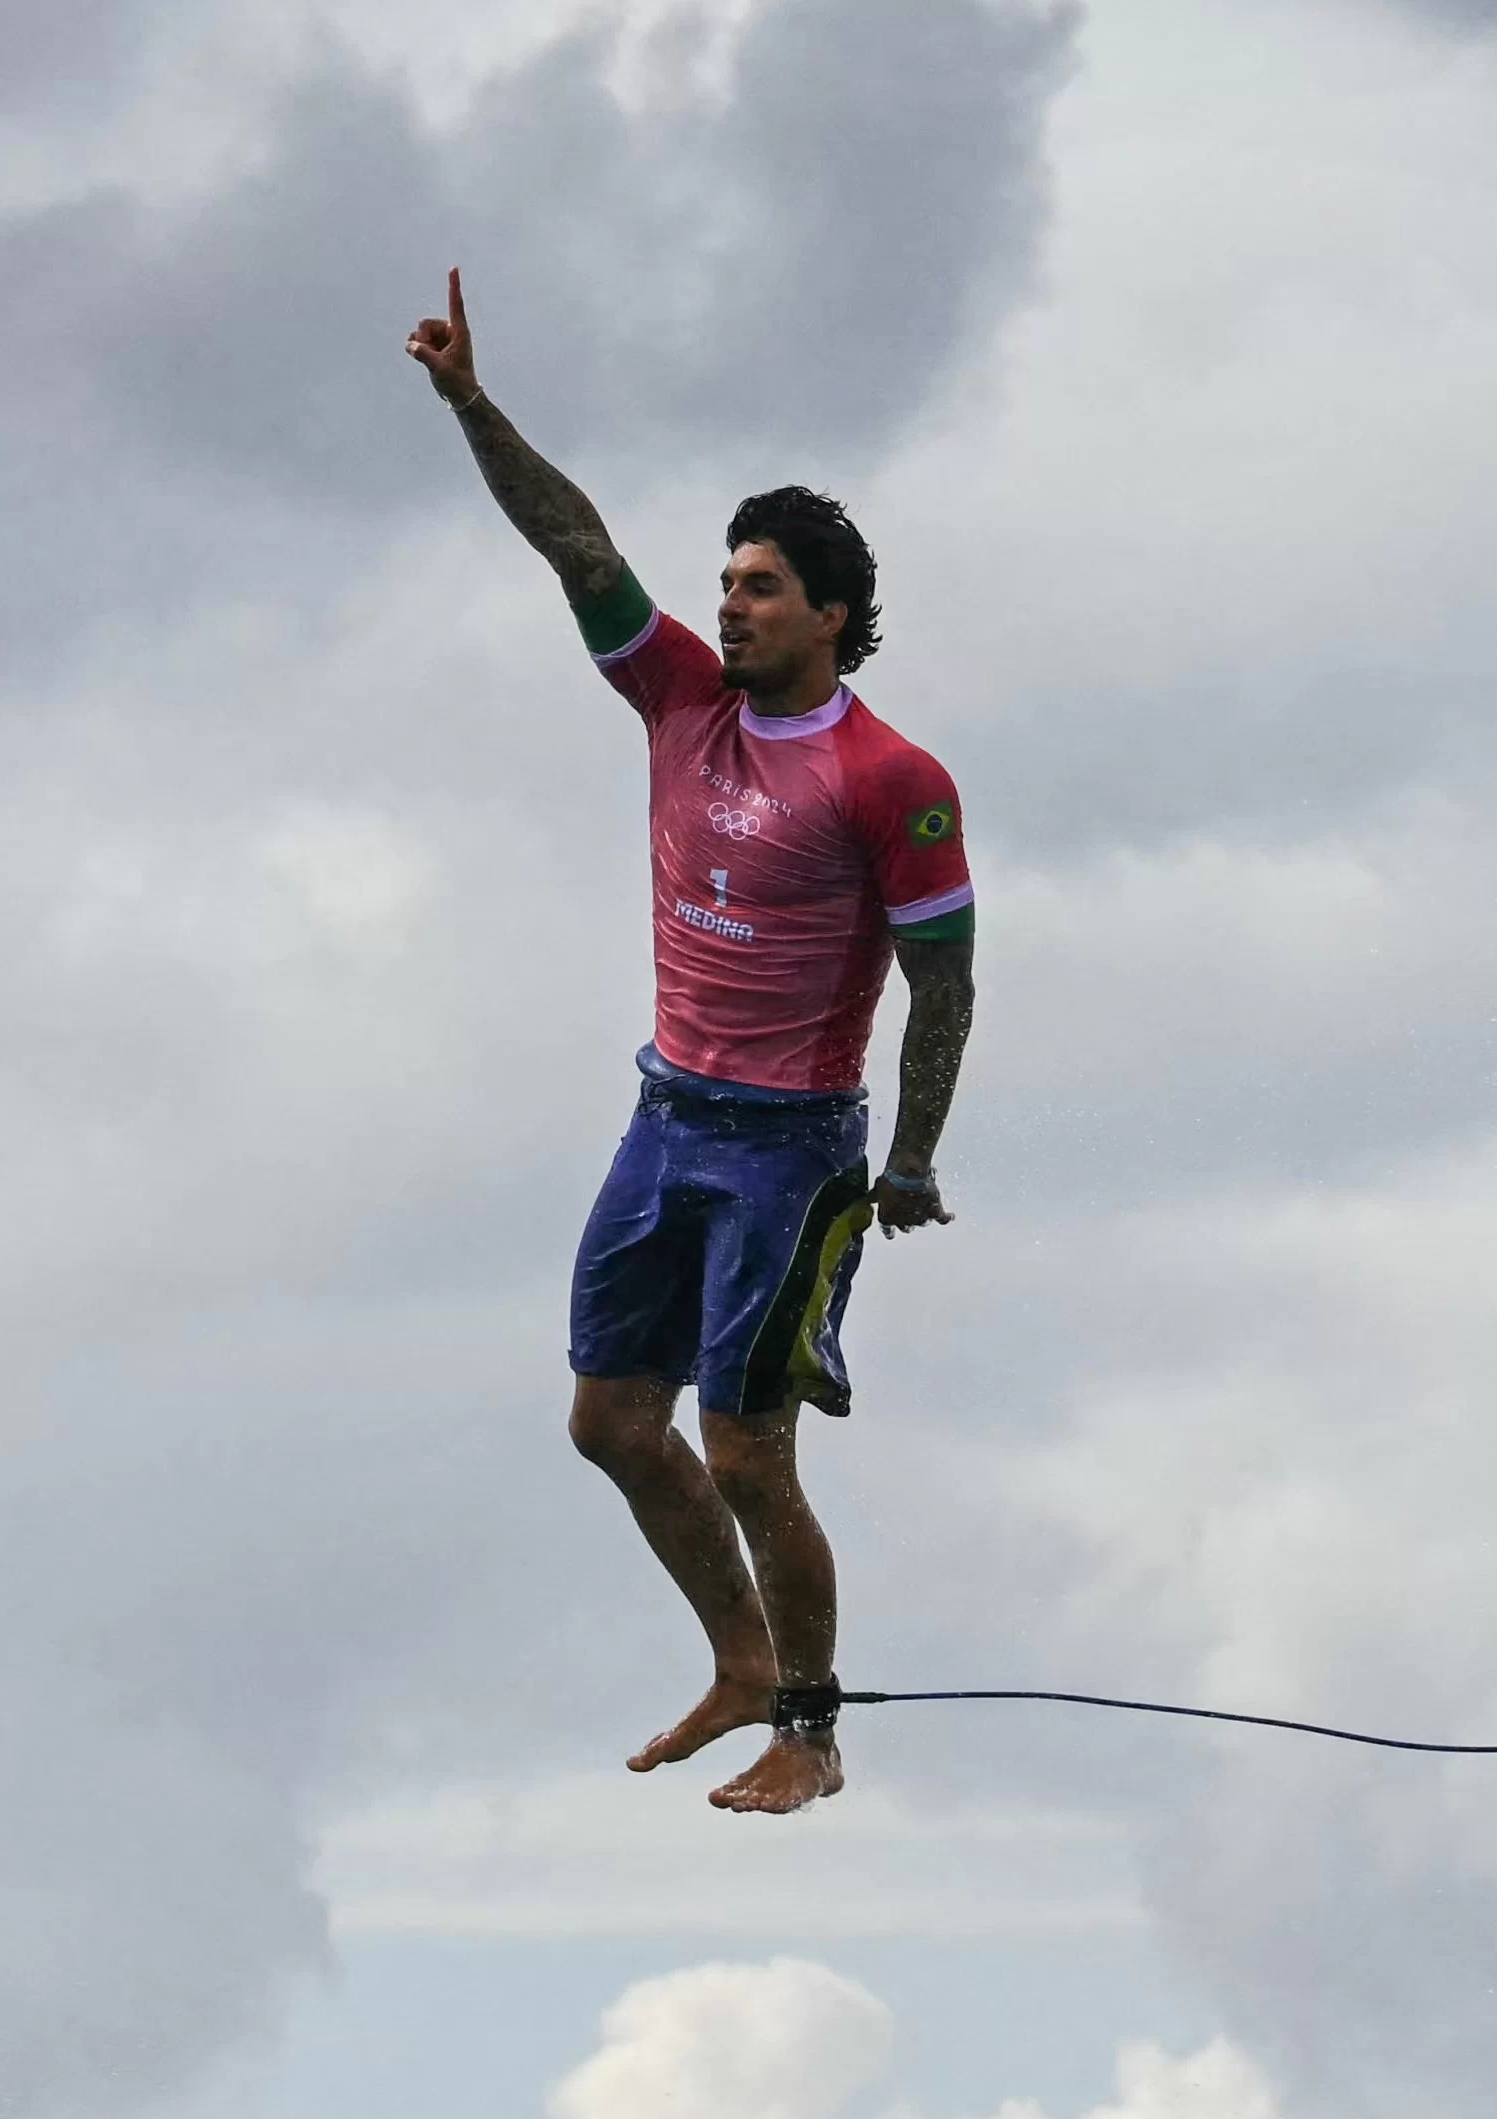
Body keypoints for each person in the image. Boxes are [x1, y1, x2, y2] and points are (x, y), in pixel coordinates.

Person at [405, 269, 977, 1817]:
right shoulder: (677, 700)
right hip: (666, 1117)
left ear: (833, 617)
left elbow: (945, 982)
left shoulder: (890, 777)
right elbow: (574, 542)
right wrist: (469, 404)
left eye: (762, 588)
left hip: (791, 1153)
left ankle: (810, 1724)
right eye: (725, 582)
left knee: (746, 1451)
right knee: (608, 1421)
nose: (728, 604)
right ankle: (736, 1656)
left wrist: (911, 1157)